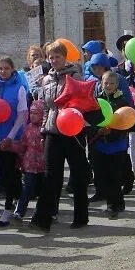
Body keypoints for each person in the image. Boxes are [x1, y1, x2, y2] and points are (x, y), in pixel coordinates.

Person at [29, 41, 91, 232]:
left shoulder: (75, 76)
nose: (54, 60)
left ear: (65, 58)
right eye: (51, 57)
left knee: (78, 174)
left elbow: (83, 103)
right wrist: (43, 130)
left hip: (73, 132)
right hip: (52, 132)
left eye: (57, 56)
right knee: (50, 176)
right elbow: (46, 107)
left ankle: (81, 217)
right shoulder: (47, 80)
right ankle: (42, 219)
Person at [0, 58, 30, 227]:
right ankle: (18, 200)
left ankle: (7, 209)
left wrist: (11, 137)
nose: (3, 71)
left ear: (13, 70)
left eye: (6, 68)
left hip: (12, 137)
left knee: (12, 173)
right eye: (0, 68)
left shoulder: (18, 87)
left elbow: (22, 114)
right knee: (3, 174)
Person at [91, 71, 131, 217]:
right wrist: (98, 130)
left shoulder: (122, 101)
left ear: (117, 85)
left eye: (112, 83)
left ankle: (114, 205)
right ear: (101, 83)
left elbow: (126, 123)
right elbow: (92, 119)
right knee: (101, 175)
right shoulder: (96, 100)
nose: (108, 85)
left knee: (114, 176)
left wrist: (112, 132)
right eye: (106, 83)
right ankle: (114, 201)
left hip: (116, 144)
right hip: (100, 143)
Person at [11, 97, 46, 220]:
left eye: (36, 113)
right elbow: (22, 146)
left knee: (44, 191)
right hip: (29, 165)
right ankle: (20, 211)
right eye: (31, 113)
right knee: (26, 189)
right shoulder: (28, 128)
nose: (33, 116)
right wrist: (14, 150)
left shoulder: (46, 129)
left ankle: (46, 212)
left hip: (43, 166)